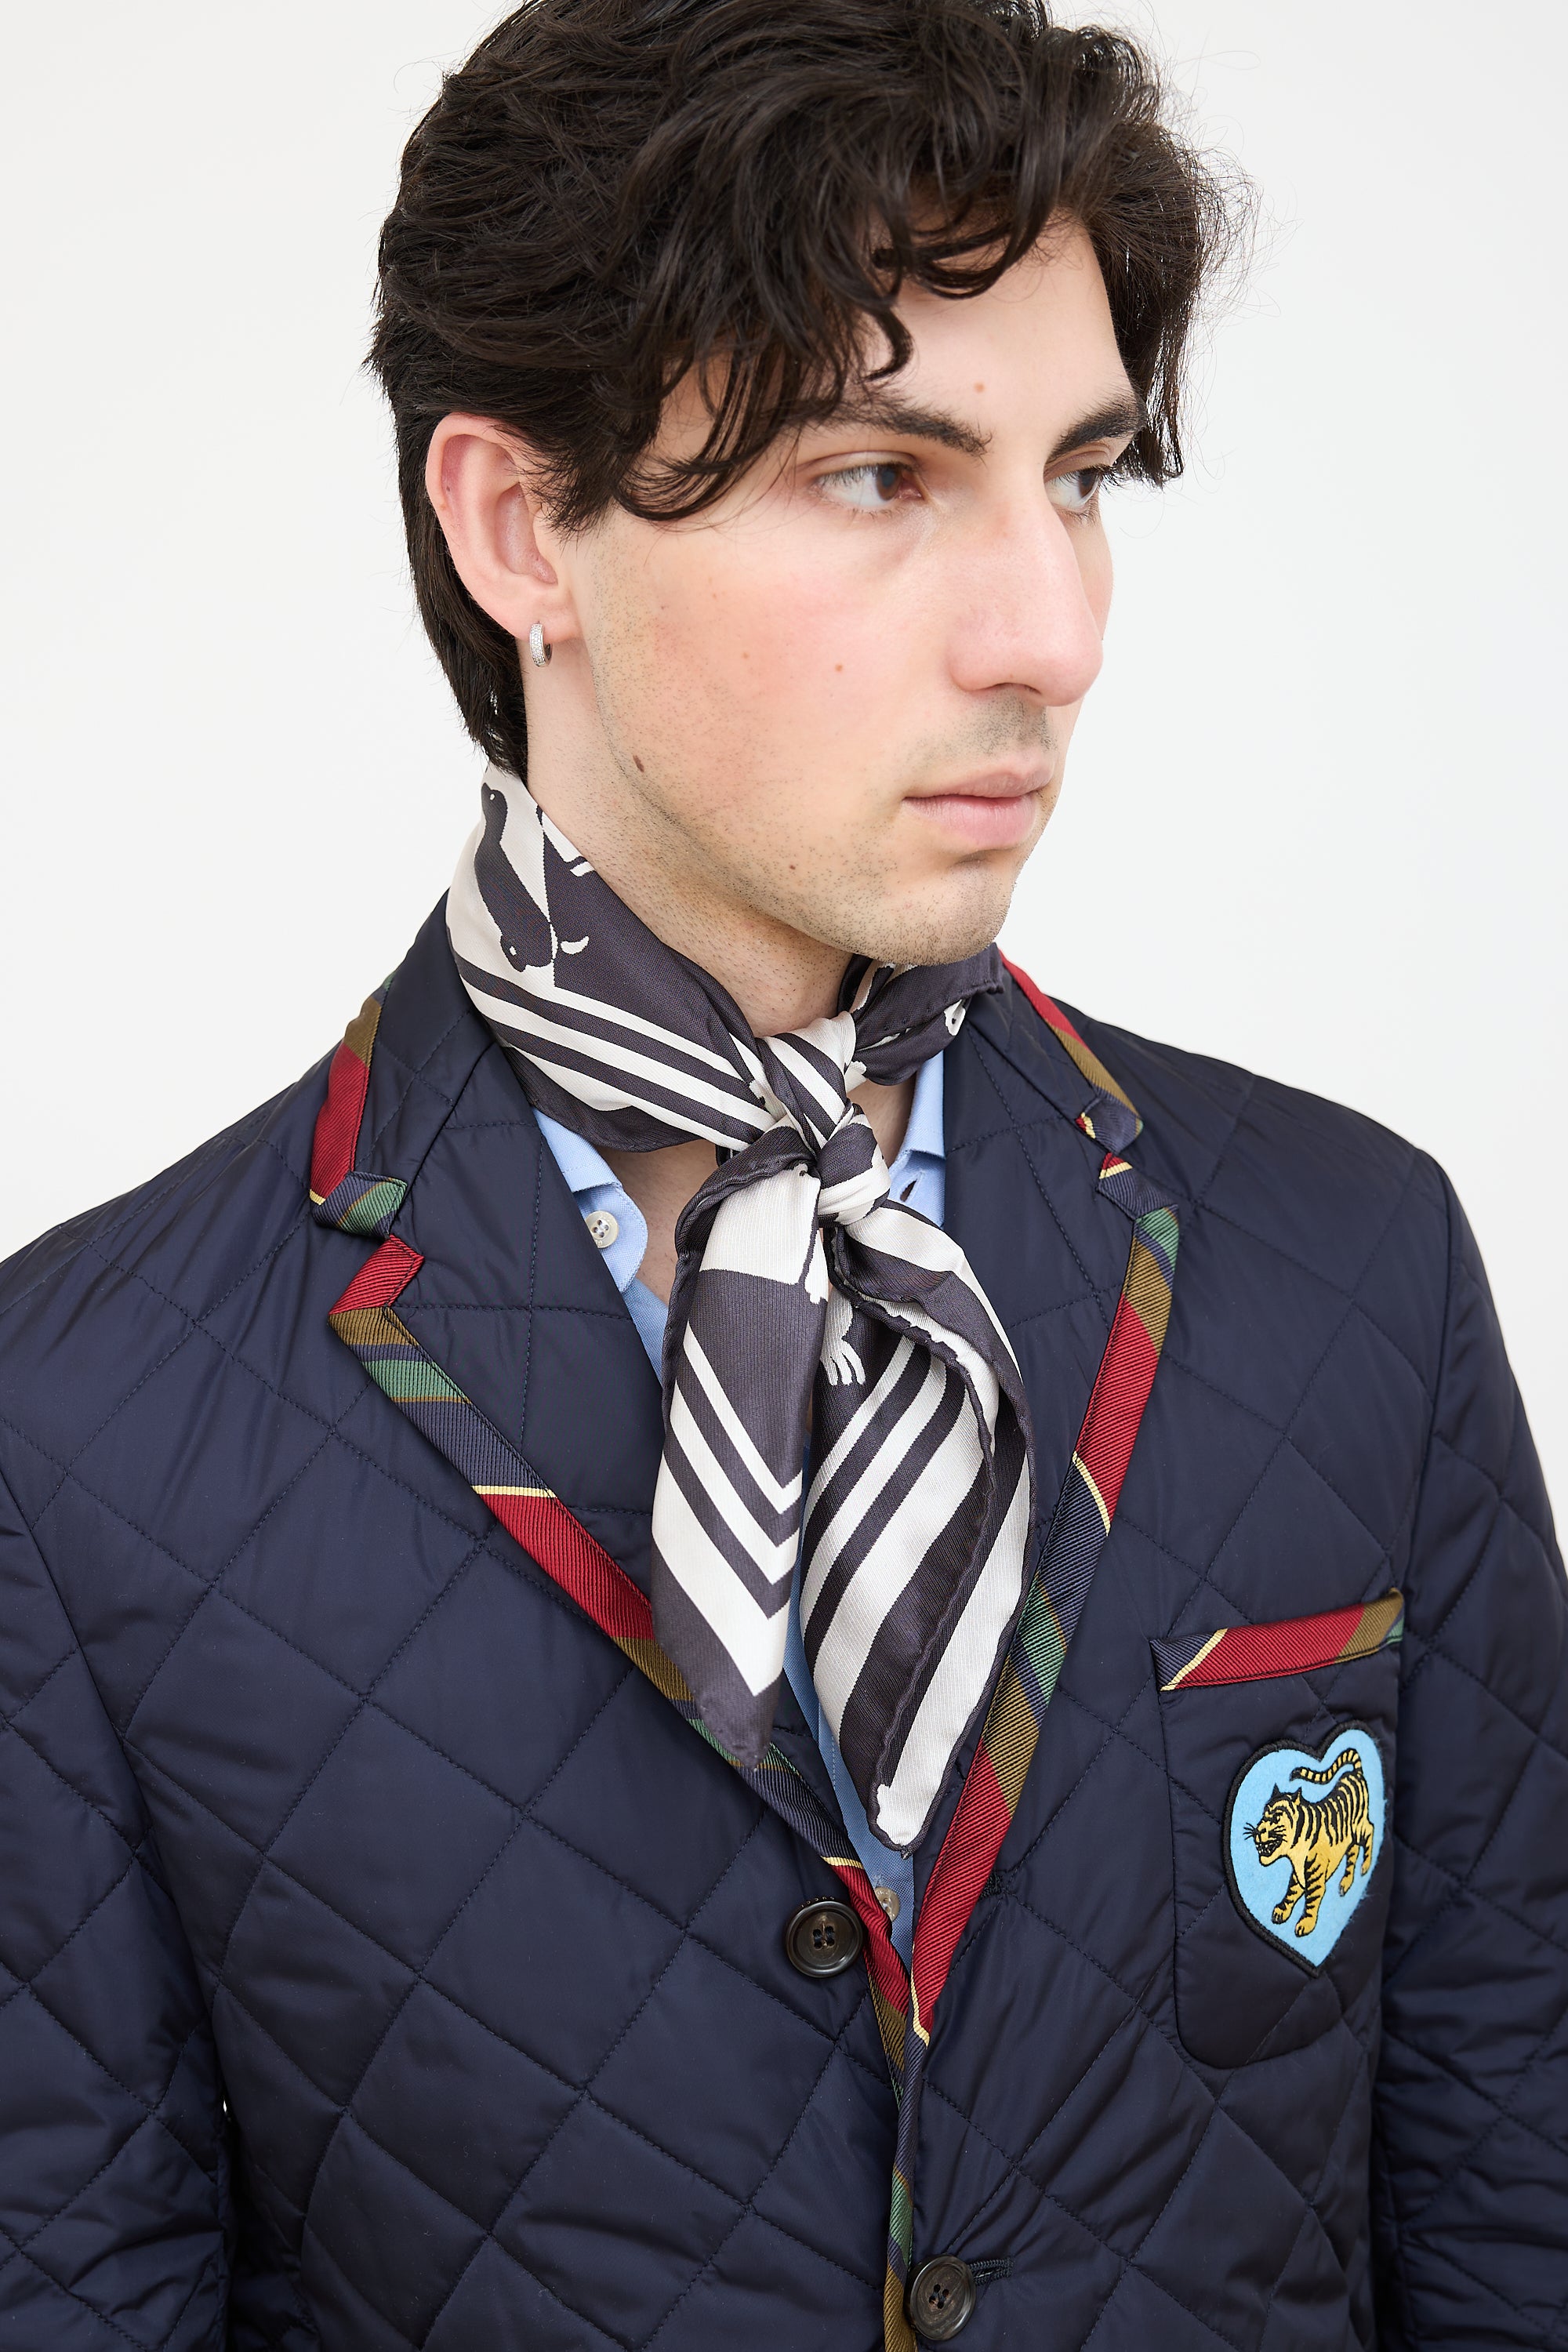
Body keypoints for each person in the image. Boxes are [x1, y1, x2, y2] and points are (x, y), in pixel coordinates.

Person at [1, 1, 1562, 2345]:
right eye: (881, 474)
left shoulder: (1358, 1267)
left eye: (1082, 476)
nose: (1053, 634)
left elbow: (1513, 2208)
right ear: (520, 524)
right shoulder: (75, 1431)